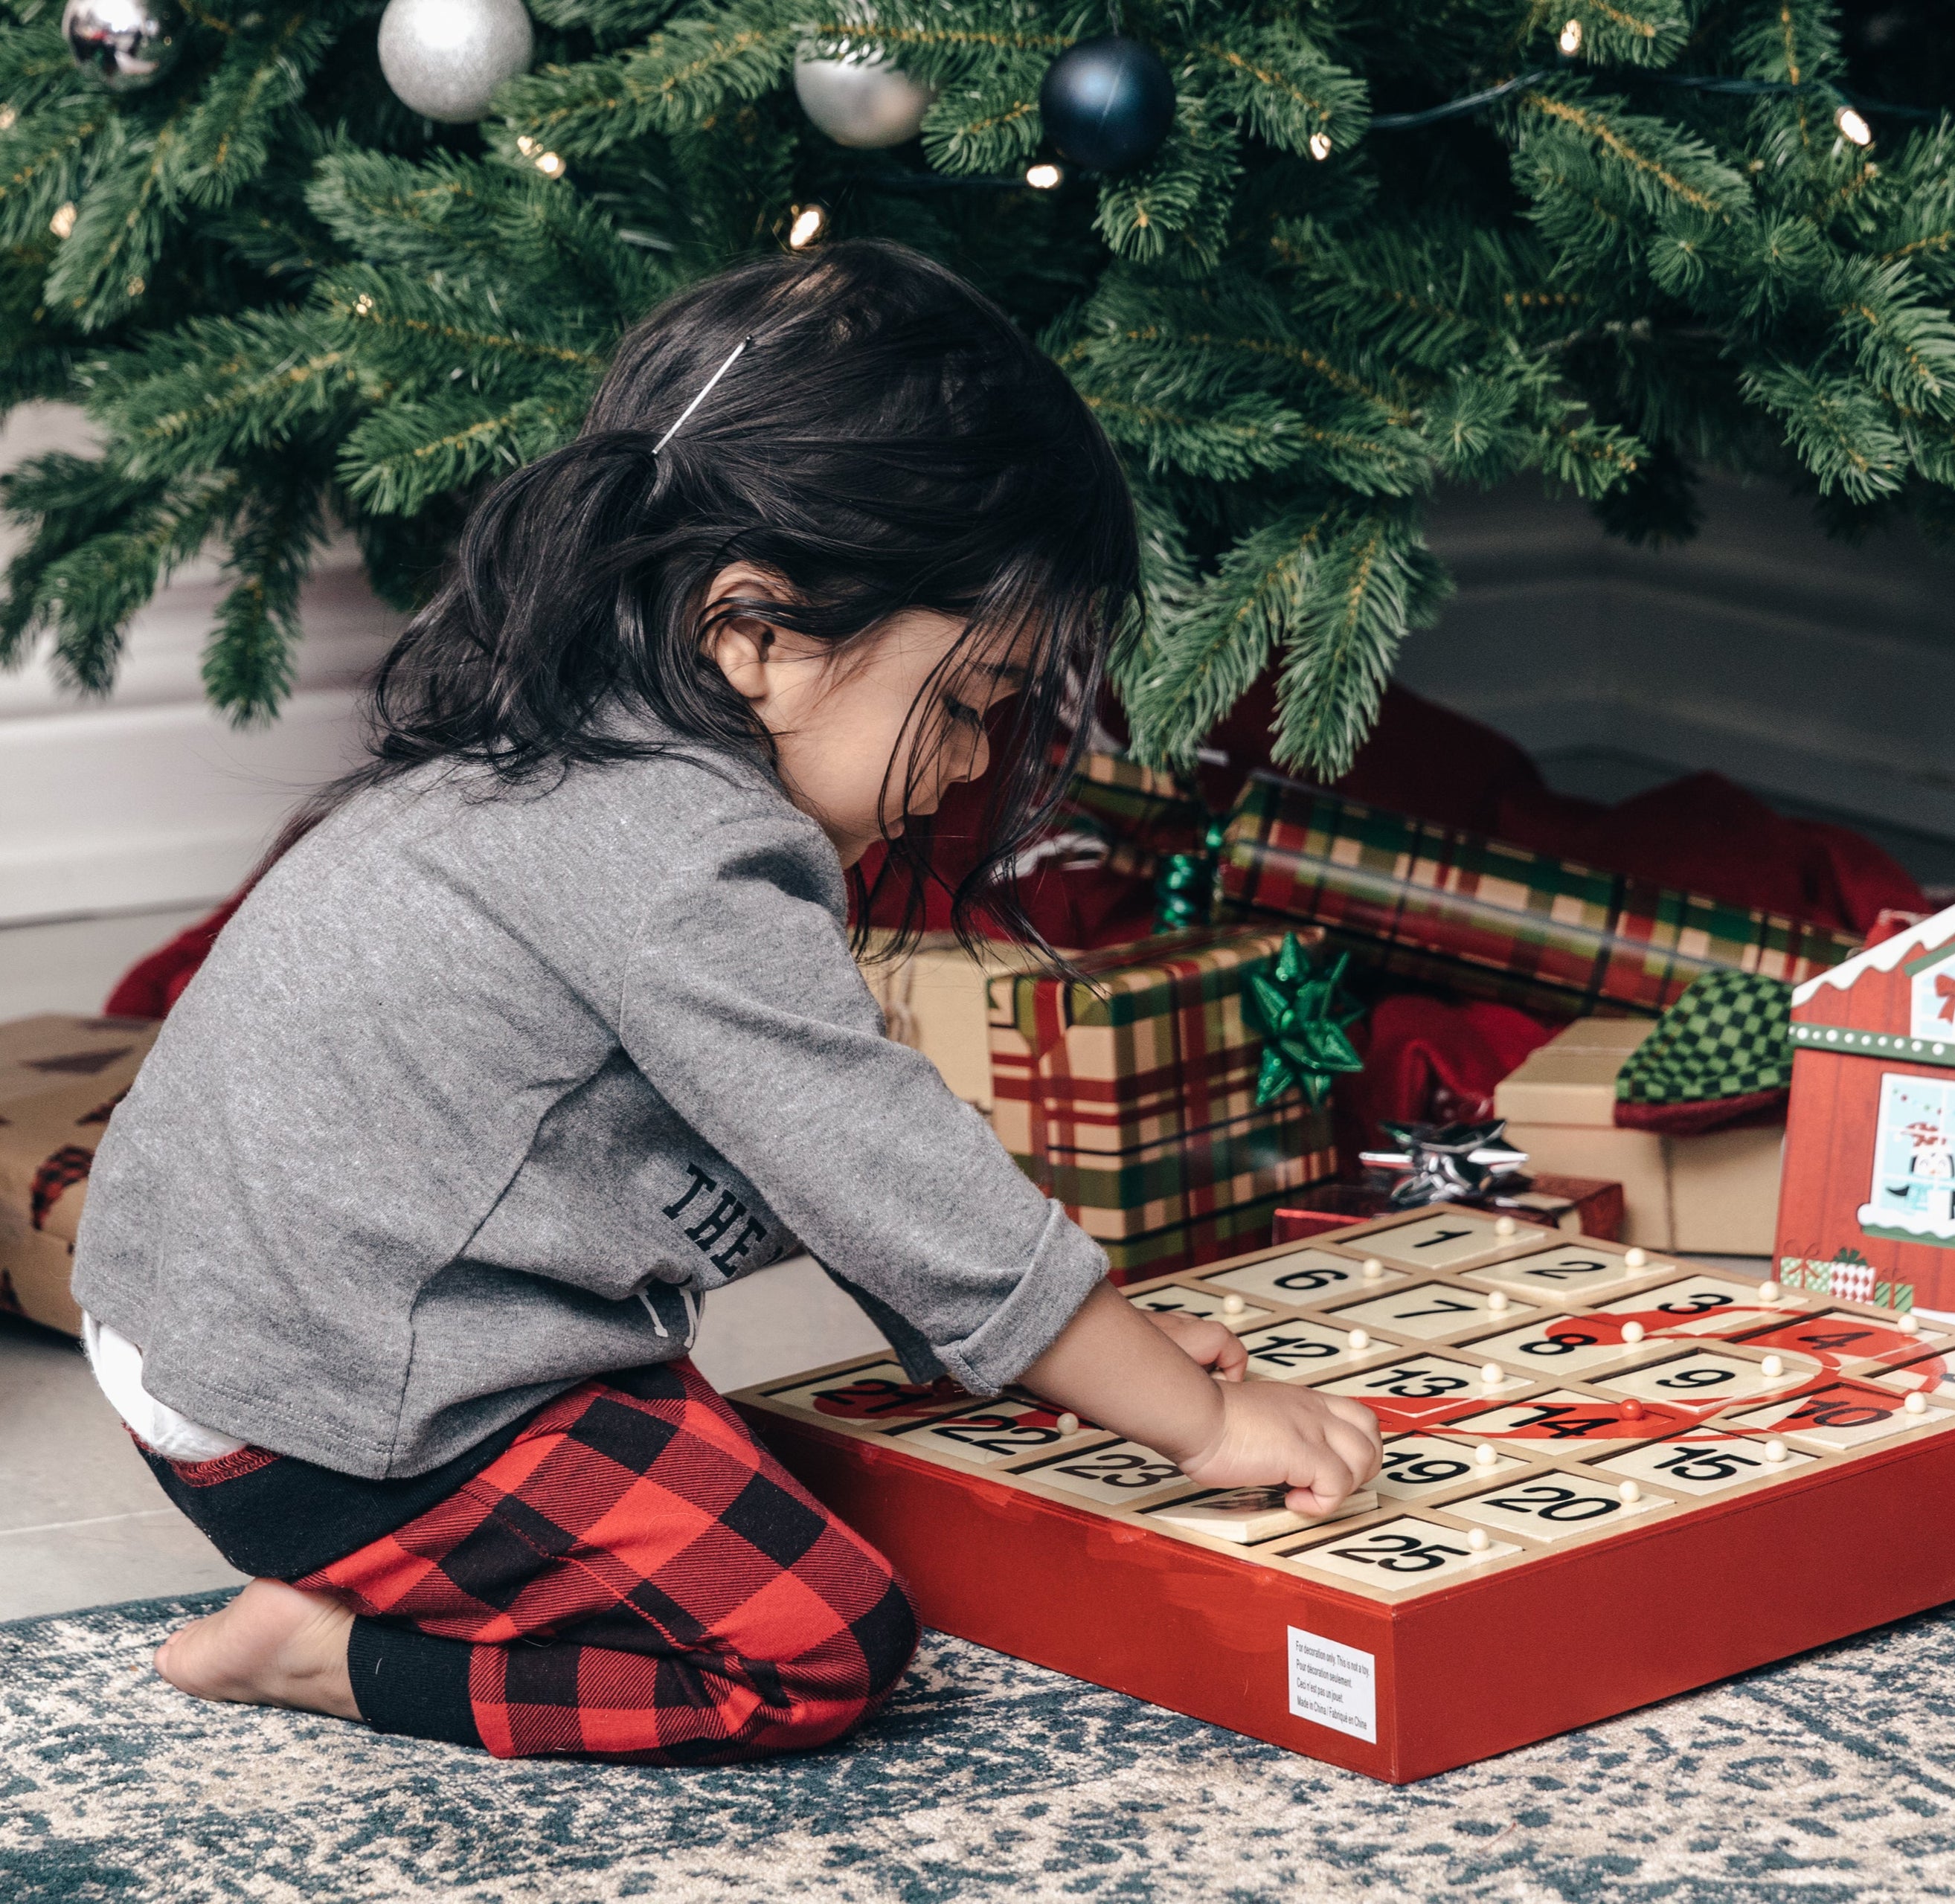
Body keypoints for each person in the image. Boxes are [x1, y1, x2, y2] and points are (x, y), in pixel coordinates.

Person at [70, 241, 1382, 1765]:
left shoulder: (570, 744)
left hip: (215, 1337)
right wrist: (1202, 1423)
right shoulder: (685, 846)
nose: (968, 764)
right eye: (962, 702)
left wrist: (1096, 1353)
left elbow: (823, 1158)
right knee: (820, 1639)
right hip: (329, 1423)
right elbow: (886, 1167)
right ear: (748, 630)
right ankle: (334, 1655)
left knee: (756, 1471)